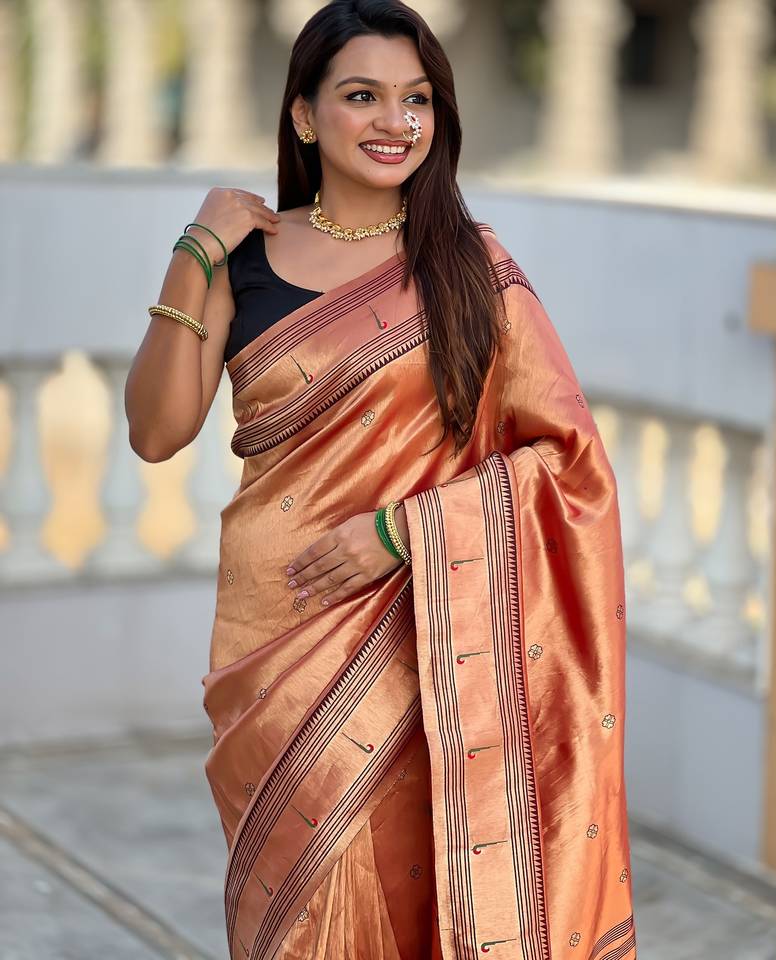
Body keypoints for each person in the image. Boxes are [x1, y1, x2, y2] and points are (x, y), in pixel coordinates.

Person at [125, 1, 637, 958]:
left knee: (416, 905)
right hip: (272, 646)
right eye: (362, 96)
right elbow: (155, 433)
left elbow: (568, 460)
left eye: (417, 99)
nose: (395, 121)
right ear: (305, 116)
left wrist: (402, 533)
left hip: (422, 643)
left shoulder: (471, 268)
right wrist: (195, 249)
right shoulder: (245, 261)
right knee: (292, 914)